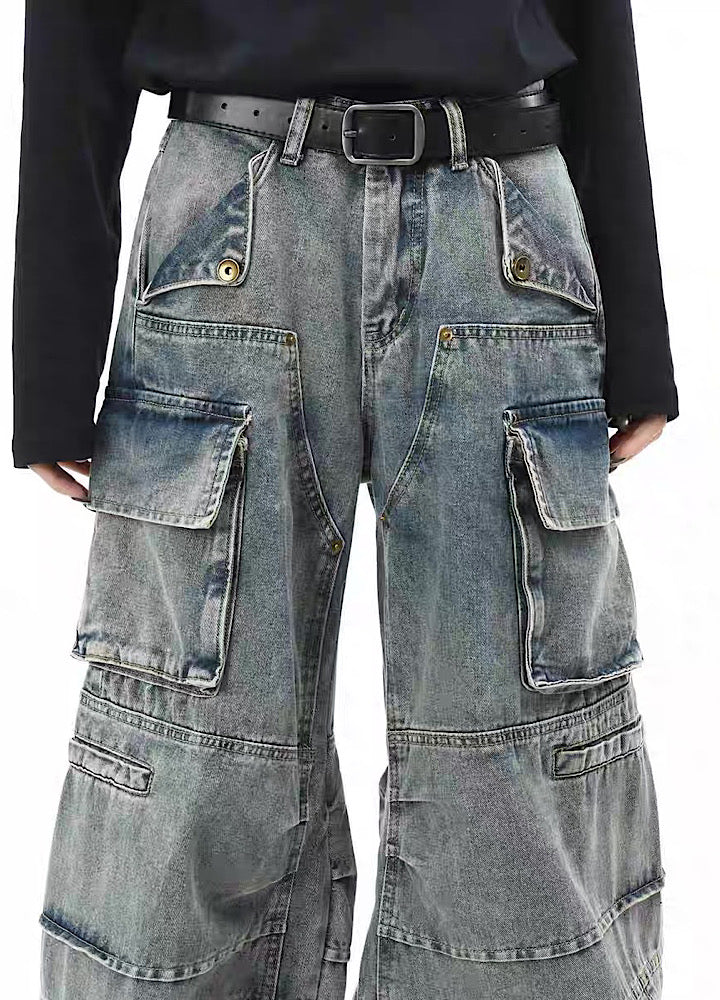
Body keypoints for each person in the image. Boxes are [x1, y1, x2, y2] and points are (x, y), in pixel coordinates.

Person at [12, 3, 675, 998]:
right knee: (196, 737)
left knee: (516, 746)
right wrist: (50, 362)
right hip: (232, 225)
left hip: (503, 225)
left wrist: (639, 326)